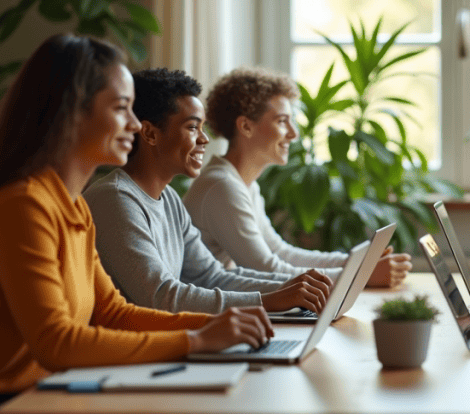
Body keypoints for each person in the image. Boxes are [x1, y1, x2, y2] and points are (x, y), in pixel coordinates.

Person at [0, 35, 339, 414]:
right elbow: (58, 342)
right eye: (122, 108)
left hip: (48, 398)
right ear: (72, 112)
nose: (133, 122)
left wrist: (214, 328)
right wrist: (197, 340)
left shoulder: (72, 208)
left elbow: (115, 313)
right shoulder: (24, 208)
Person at [83, 67, 334, 318]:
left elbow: (211, 276)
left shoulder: (169, 199)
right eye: (192, 128)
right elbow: (160, 296)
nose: (204, 139)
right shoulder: (115, 199)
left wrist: (293, 288)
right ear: (149, 133)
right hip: (135, 351)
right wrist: (269, 300)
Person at [182, 66, 411, 287]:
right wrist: (360, 276)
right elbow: (264, 270)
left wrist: (359, 263)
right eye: (282, 121)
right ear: (245, 126)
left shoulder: (241, 184)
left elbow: (280, 252)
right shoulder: (222, 186)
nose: (293, 134)